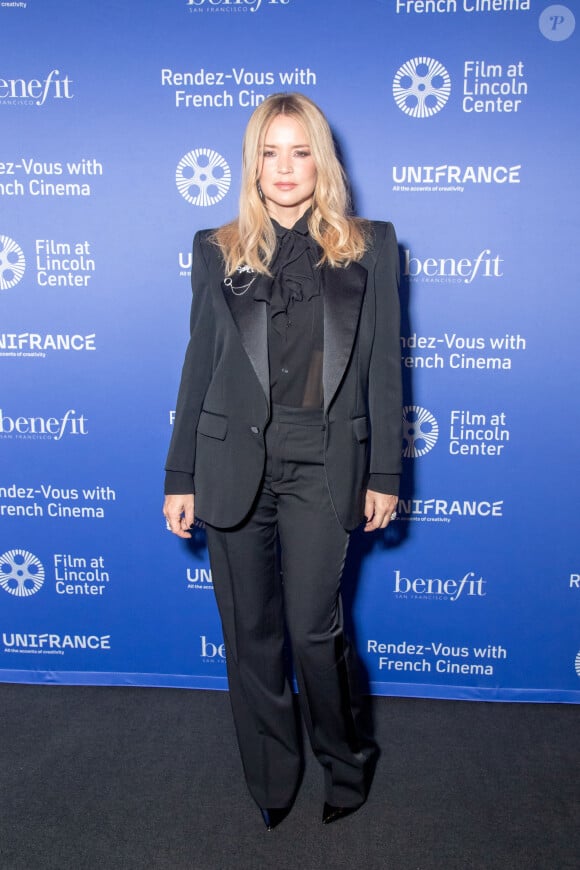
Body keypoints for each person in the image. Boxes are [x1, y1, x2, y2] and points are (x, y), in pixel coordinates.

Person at [163, 92, 402, 830]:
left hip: (324, 461)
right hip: (232, 462)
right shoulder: (217, 246)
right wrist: (180, 476)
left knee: (311, 628)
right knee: (250, 632)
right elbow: (199, 361)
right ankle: (272, 776)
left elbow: (385, 370)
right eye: (271, 152)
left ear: (320, 160)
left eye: (301, 151)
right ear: (253, 163)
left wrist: (385, 472)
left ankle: (346, 761)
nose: (286, 167)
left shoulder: (371, 245)